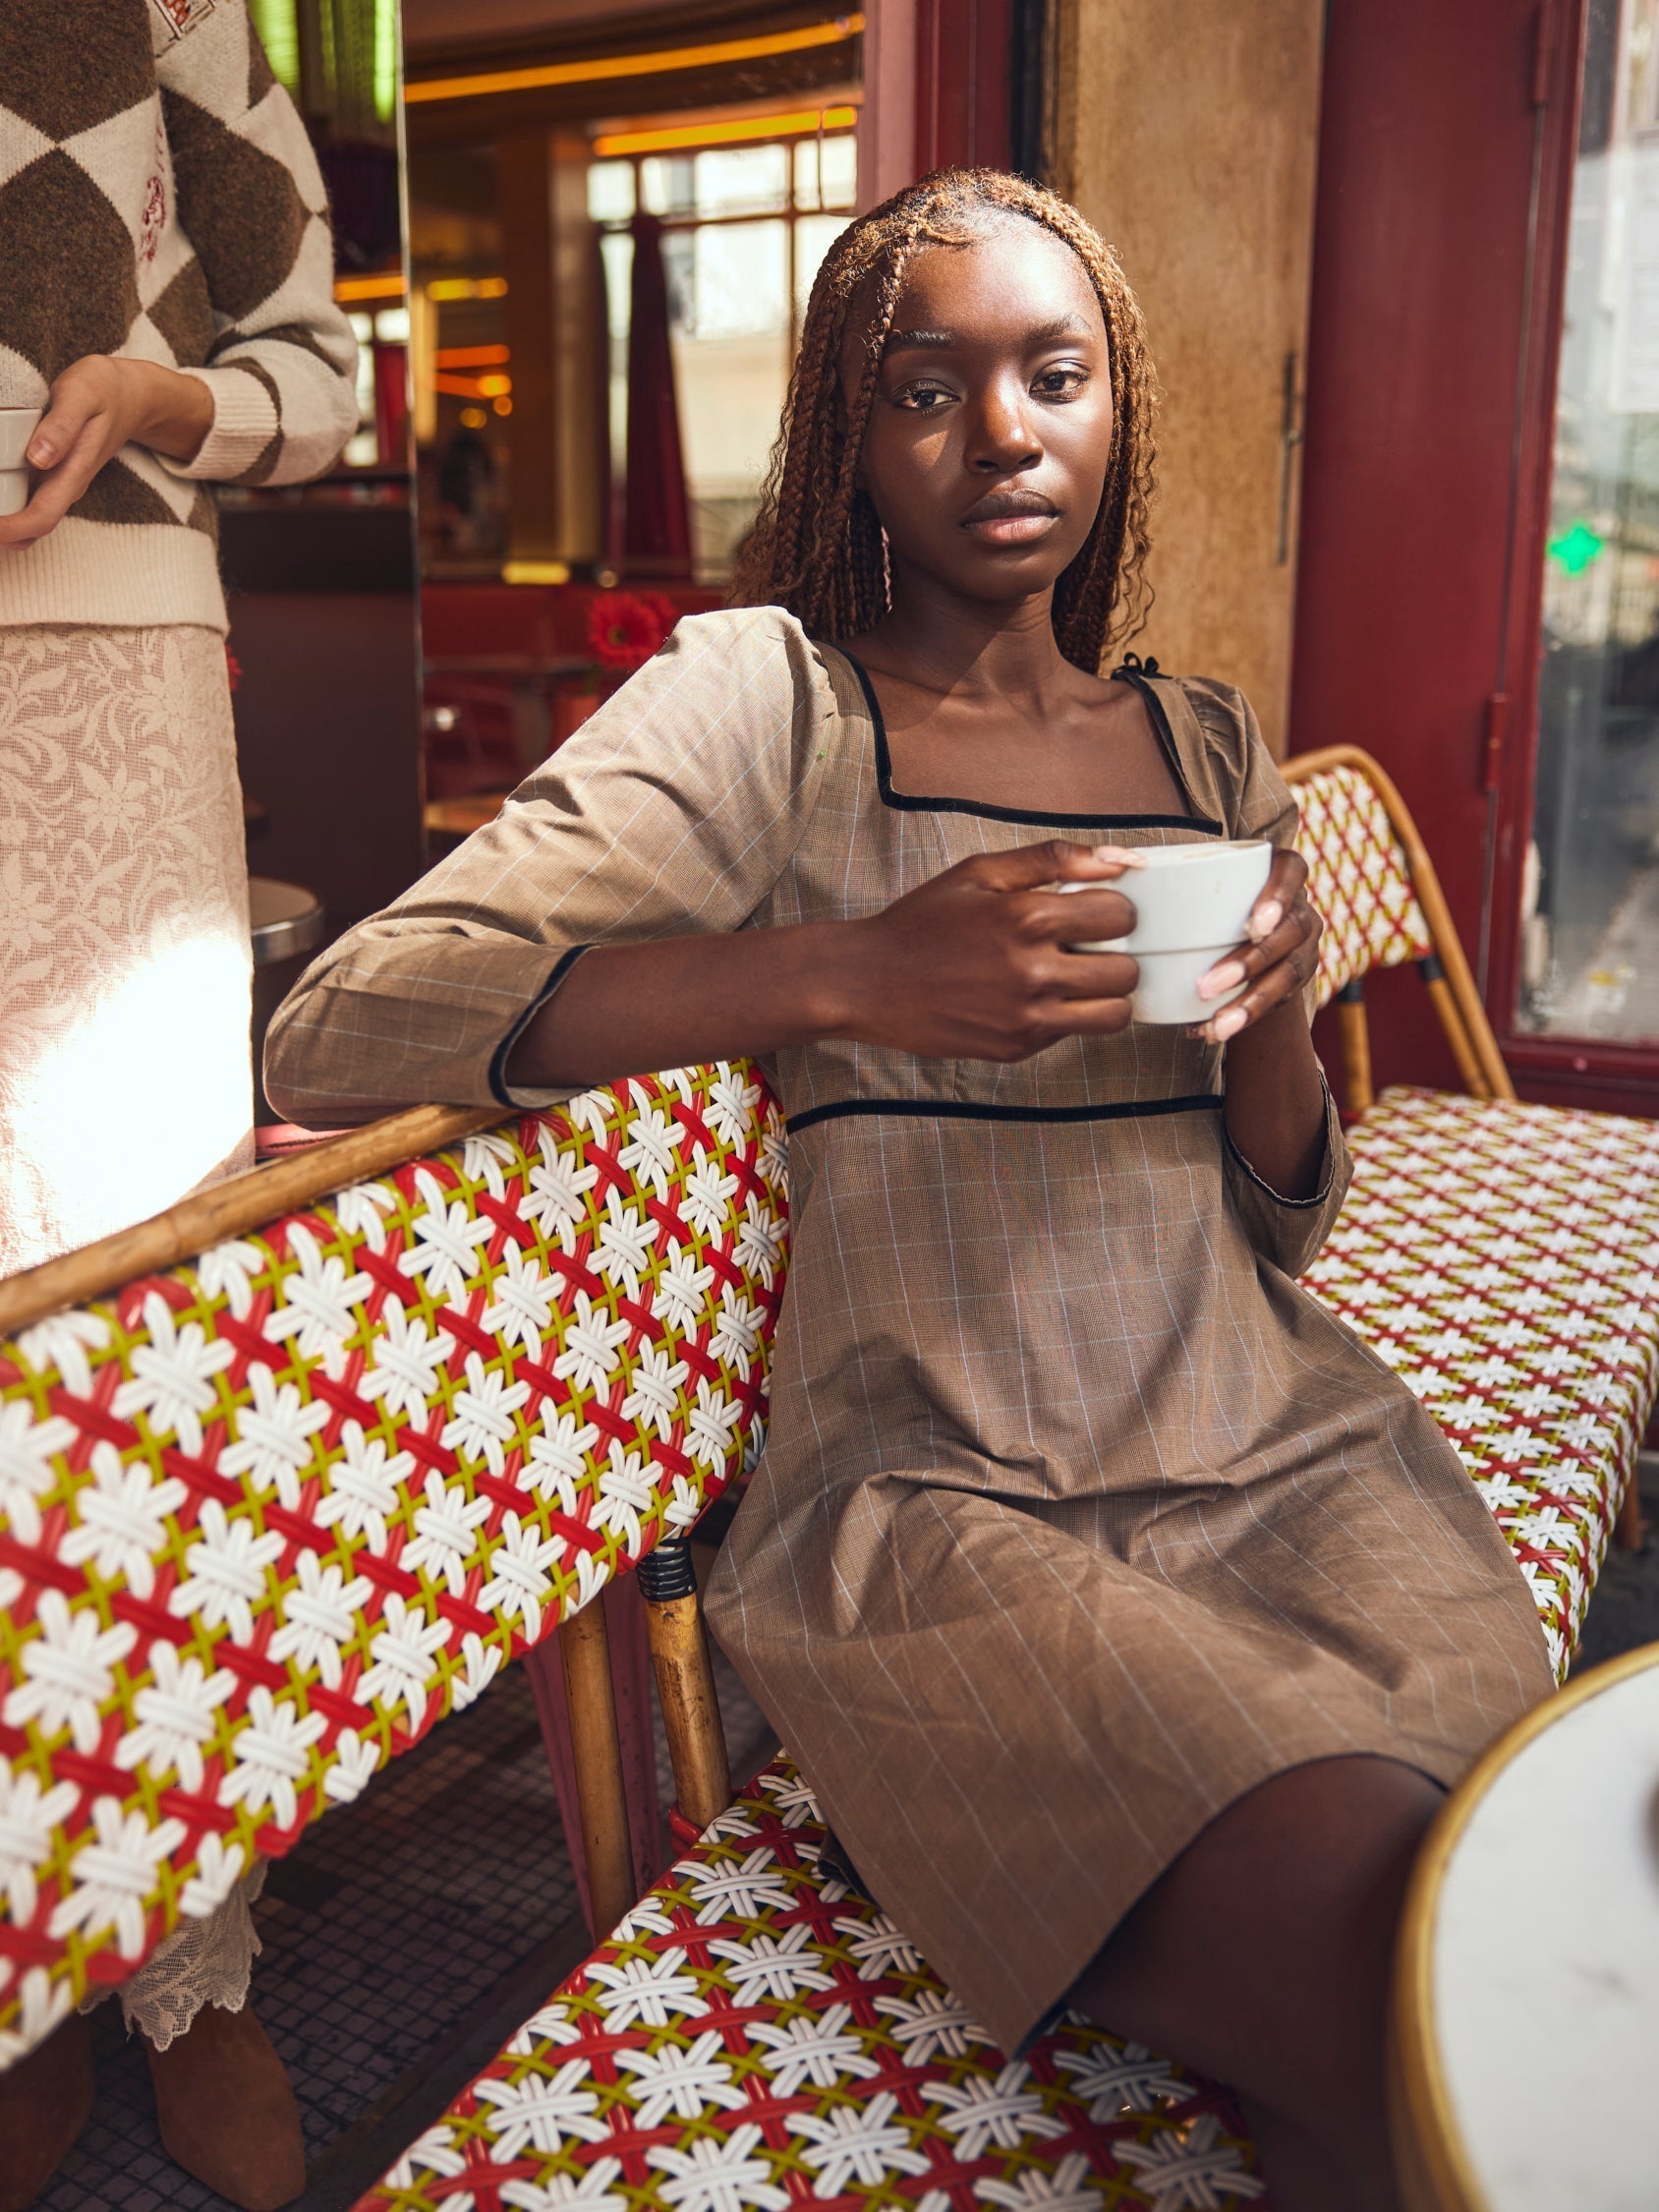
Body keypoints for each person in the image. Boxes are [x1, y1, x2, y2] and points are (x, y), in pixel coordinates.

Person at [263, 170, 1554, 2210]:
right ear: (845, 438)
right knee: (1385, 1952)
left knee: (1538, 1939)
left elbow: (1281, 1219)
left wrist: (1276, 1017)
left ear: (1118, 405)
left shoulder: (1200, 739)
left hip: (1288, 1451)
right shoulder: (769, 706)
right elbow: (341, 1023)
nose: (1003, 431)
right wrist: (849, 968)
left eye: (1054, 373)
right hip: (942, 1507)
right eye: (922, 387)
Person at [0, 3, 358, 2206]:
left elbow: (333, 382)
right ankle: (24, 1958)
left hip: (122, 670)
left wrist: (161, 395)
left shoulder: (169, 16)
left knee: (139, 1322)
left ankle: (187, 1952)